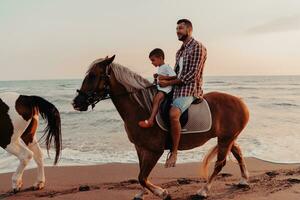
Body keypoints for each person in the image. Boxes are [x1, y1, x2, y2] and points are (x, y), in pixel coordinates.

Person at [158, 19, 207, 168]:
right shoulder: (180, 51)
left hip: (190, 89)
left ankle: (174, 153)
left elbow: (192, 76)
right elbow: (176, 74)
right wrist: (162, 78)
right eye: (176, 29)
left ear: (189, 30)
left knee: (173, 114)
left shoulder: (197, 47)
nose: (178, 31)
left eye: (180, 28)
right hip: (177, 88)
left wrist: (168, 83)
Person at [138, 48, 176, 128]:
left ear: (161, 58)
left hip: (166, 89)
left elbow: (174, 76)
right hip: (161, 88)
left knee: (156, 99)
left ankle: (150, 120)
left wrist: (164, 77)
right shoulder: (160, 68)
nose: (152, 63)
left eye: (153, 60)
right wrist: (156, 77)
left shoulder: (166, 67)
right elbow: (159, 79)